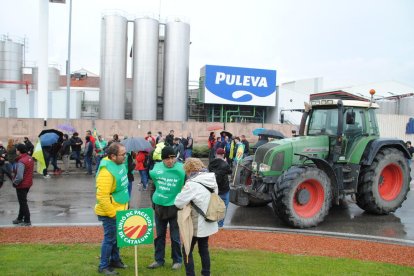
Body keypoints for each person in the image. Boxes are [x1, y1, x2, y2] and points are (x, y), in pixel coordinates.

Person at [175, 157, 219, 276]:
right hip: (208, 219)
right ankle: (206, 273)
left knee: (187, 250)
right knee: (203, 248)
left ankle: (190, 274)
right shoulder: (211, 180)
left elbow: (178, 202)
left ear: (188, 170)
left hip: (196, 222)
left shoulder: (192, 184)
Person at [147, 146, 185, 270]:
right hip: (159, 208)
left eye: (173, 158)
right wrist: (154, 203)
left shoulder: (181, 169)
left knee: (175, 237)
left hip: (175, 208)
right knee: (159, 236)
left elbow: (186, 188)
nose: (170, 161)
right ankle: (158, 260)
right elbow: (153, 186)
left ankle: (177, 260)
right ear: (162, 159)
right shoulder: (156, 169)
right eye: (167, 159)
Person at [95, 143, 129, 275]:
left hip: (119, 208)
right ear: (113, 156)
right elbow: (102, 196)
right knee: (109, 239)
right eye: (123, 154)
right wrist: (112, 213)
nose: (125, 157)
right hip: (111, 212)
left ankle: (115, 260)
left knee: (116, 238)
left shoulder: (118, 164)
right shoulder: (106, 172)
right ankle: (103, 266)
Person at [208, 148, 232, 228]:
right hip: (224, 189)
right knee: (223, 207)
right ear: (223, 155)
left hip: (214, 188)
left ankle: (213, 223)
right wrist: (225, 162)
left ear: (216, 154)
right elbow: (230, 171)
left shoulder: (211, 163)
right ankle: (220, 224)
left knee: (214, 206)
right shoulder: (224, 164)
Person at [12, 144, 34, 227]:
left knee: (23, 202)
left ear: (19, 151)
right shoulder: (29, 158)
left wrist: (15, 182)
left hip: (22, 184)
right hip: (28, 183)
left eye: (17, 149)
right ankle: (20, 218)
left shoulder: (21, 161)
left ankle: (27, 220)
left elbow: (19, 176)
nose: (16, 151)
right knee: (22, 201)